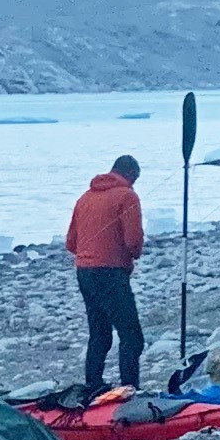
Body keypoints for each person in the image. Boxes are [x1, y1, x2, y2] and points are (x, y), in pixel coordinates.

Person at [67, 155, 146, 392]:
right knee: (131, 335)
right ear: (131, 174)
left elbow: (71, 242)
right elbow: (133, 240)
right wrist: (132, 254)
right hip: (110, 272)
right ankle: (129, 389)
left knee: (99, 333)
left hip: (84, 271)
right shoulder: (127, 196)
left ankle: (93, 385)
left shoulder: (85, 198)